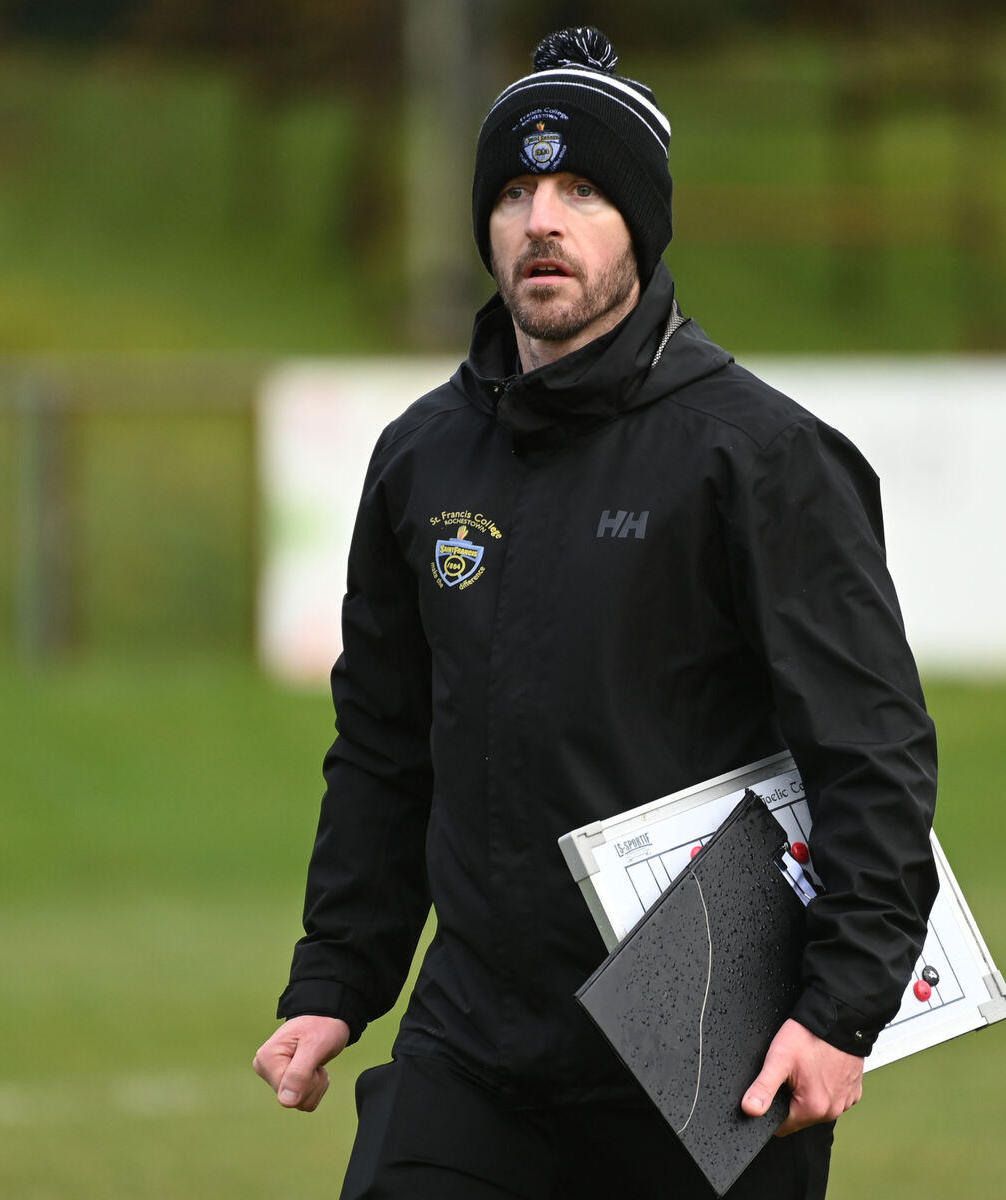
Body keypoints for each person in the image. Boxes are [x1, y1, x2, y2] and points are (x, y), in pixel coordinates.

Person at [253, 26, 938, 1199]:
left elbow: (868, 755)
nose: (541, 222)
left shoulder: (762, 458)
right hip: (474, 1038)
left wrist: (841, 1010)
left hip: (709, 1035)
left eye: (581, 190)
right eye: (513, 192)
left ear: (643, 225)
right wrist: (335, 980)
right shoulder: (421, 459)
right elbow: (381, 744)